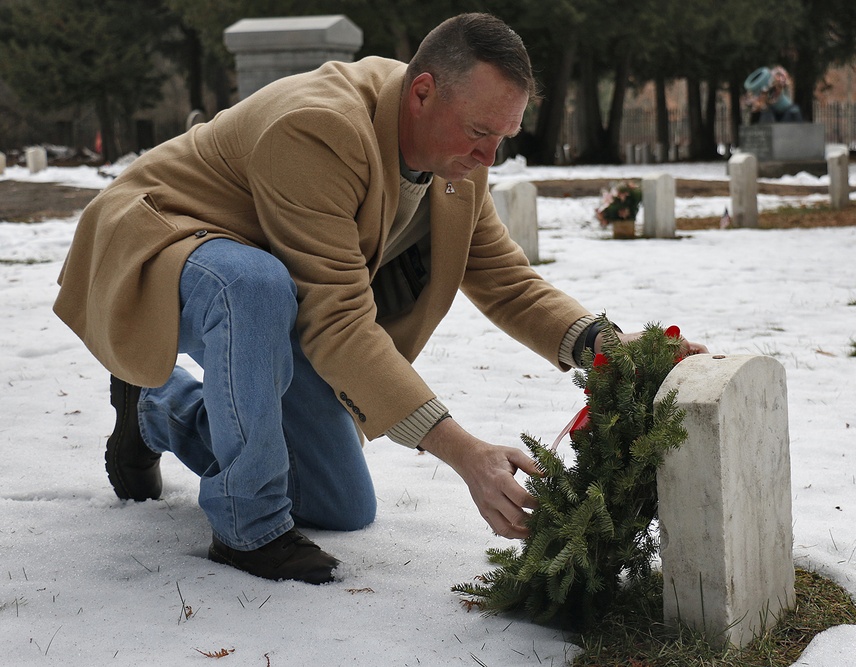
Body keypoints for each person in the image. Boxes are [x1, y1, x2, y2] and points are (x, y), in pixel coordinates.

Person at [54, 13, 706, 585]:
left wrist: (606, 346)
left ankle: (156, 409)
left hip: (282, 288)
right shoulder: (320, 127)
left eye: (503, 137)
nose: (489, 156)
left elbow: (507, 282)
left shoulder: (457, 165)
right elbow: (338, 323)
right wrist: (465, 453)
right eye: (481, 132)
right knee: (252, 284)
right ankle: (246, 528)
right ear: (422, 93)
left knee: (342, 505)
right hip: (168, 237)